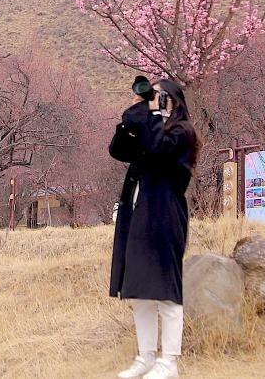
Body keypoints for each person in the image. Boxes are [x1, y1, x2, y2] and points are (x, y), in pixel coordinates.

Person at [108, 76, 199, 379]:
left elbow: (159, 149)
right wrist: (135, 114)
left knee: (165, 290)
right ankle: (146, 356)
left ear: (173, 101)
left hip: (165, 215)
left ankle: (169, 361)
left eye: (159, 95)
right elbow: (118, 150)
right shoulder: (151, 128)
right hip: (138, 214)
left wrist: (155, 116)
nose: (153, 98)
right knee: (140, 290)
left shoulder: (182, 132)